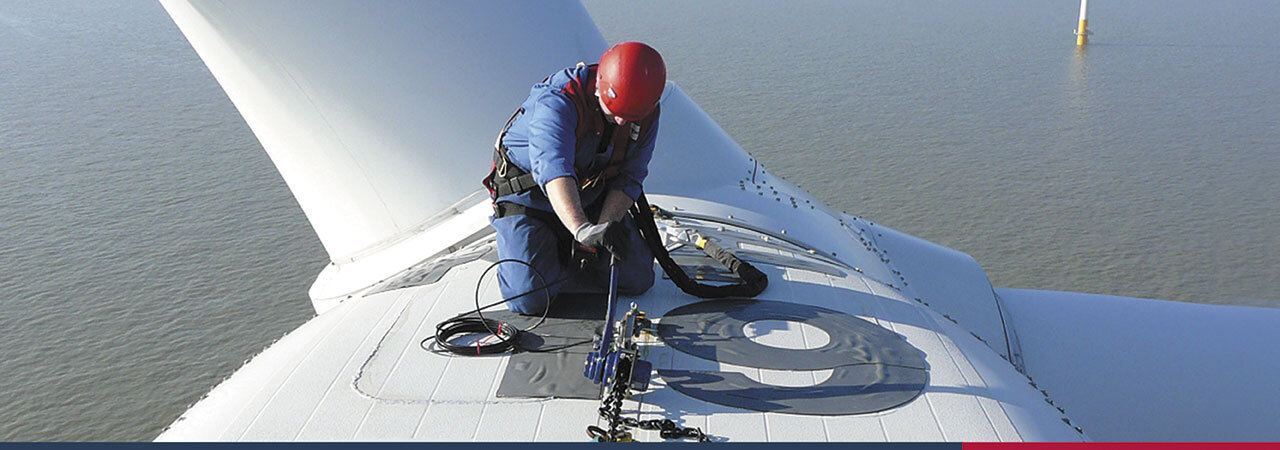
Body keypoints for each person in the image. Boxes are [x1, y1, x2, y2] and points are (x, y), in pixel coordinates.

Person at [484, 42, 666, 315]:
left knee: (637, 278)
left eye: (629, 117)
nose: (620, 123)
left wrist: (604, 228)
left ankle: (563, 250)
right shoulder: (558, 100)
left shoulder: (645, 112)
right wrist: (582, 230)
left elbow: (630, 176)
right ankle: (546, 246)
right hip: (532, 196)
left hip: (590, 191)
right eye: (614, 112)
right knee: (528, 297)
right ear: (599, 88)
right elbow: (553, 169)